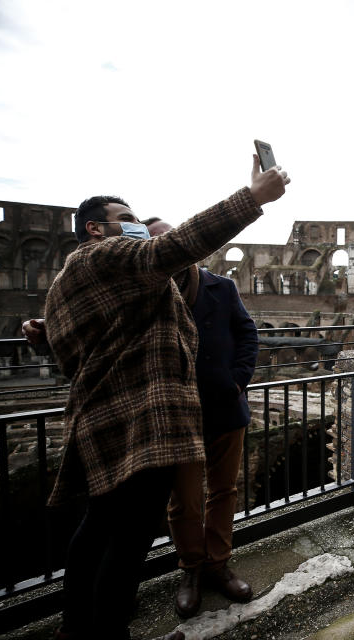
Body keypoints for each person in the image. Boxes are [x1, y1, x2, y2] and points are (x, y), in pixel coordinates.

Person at [39, 156, 289, 640]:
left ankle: (79, 627)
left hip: (111, 415)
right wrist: (254, 197)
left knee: (101, 527)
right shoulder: (104, 256)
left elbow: (84, 339)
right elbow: (177, 246)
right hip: (140, 419)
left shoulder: (77, 276)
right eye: (127, 220)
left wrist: (38, 334)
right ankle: (106, 629)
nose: (134, 229)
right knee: (127, 536)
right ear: (95, 229)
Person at [141, 218, 259, 618]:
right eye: (160, 241)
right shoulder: (145, 289)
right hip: (177, 415)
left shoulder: (220, 286)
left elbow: (248, 333)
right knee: (184, 500)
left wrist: (237, 381)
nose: (171, 245)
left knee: (223, 491)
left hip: (225, 407)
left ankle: (217, 566)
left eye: (174, 238)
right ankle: (191, 569)